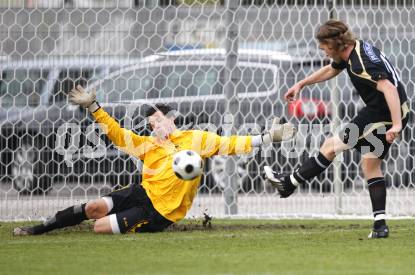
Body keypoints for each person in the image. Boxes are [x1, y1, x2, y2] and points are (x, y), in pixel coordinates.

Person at [13, 85, 296, 235]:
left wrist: (269, 137)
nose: (154, 125)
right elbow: (114, 132)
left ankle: (119, 222)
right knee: (94, 206)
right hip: (141, 194)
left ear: (171, 120)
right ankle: (40, 228)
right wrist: (94, 107)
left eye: (158, 119)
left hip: (160, 213)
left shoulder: (197, 139)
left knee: (100, 226)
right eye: (151, 123)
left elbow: (234, 144)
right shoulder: (146, 145)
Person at [264, 19, 409, 238]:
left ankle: (288, 183)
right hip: (389, 111)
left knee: (330, 146)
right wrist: (301, 84)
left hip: (382, 115)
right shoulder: (353, 49)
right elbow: (331, 70)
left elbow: (388, 87)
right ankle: (380, 226)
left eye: (323, 48)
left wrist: (396, 124)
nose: (323, 52)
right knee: (370, 165)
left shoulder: (360, 63)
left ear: (333, 44)